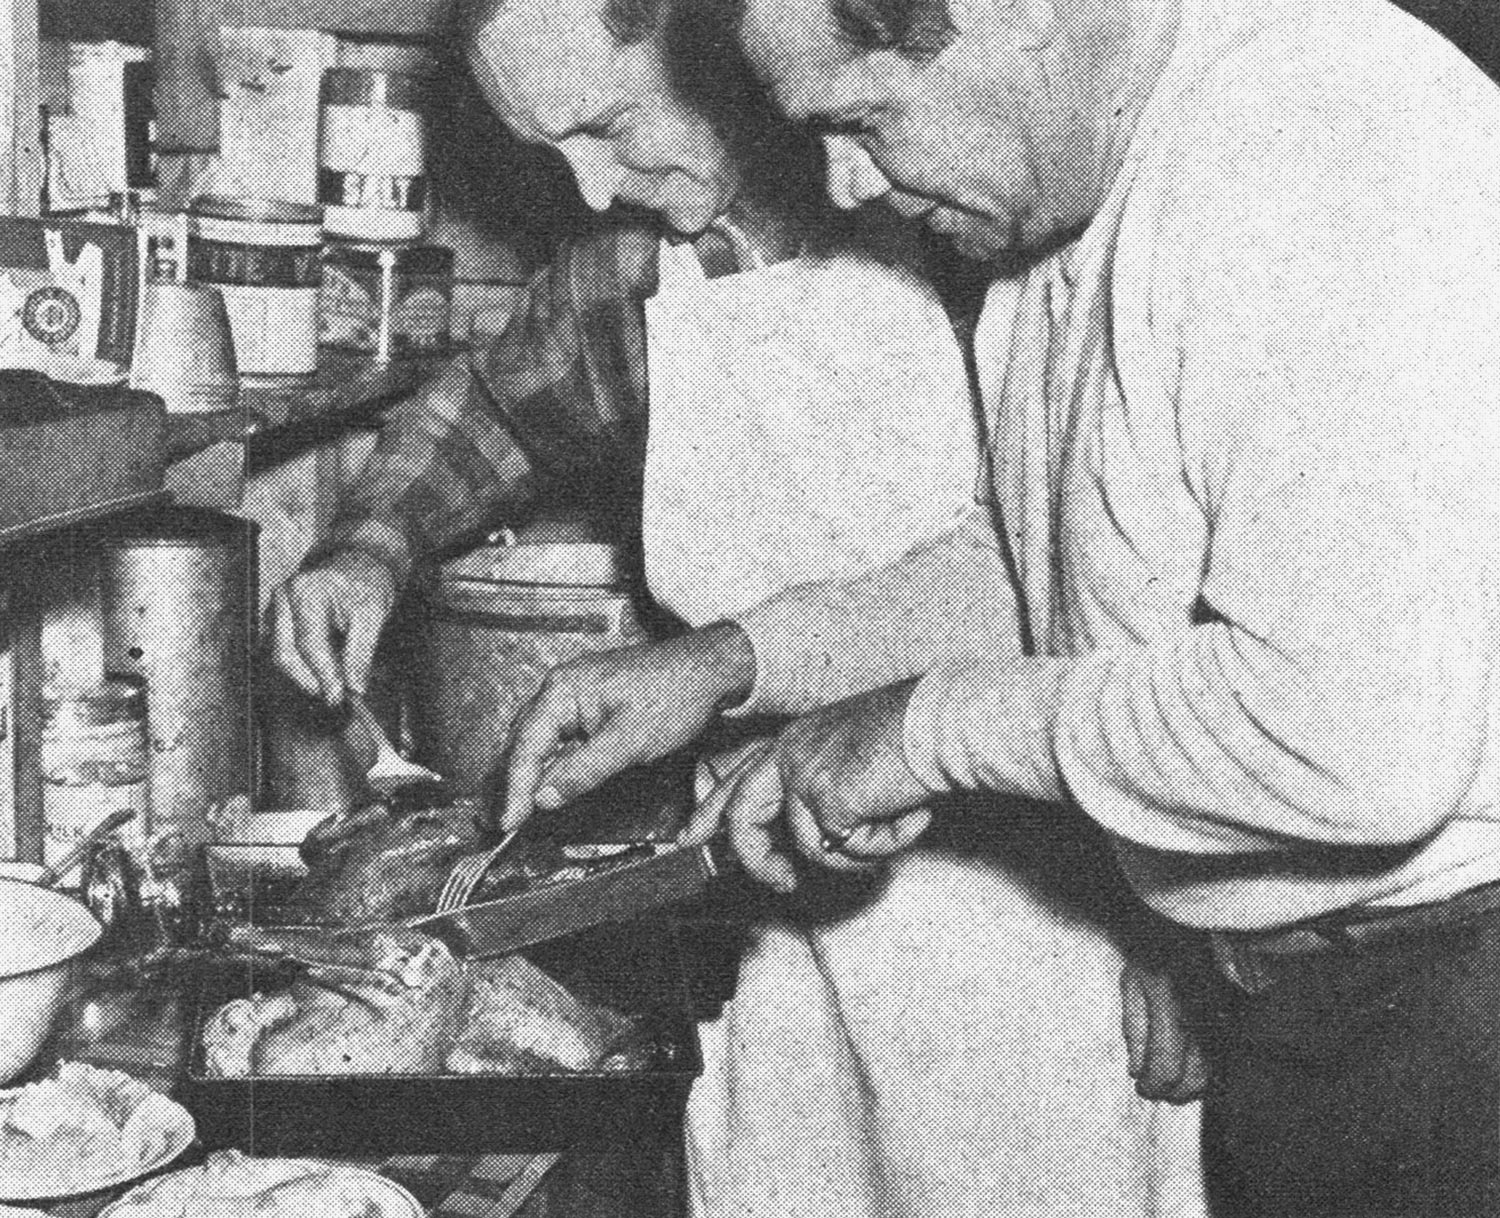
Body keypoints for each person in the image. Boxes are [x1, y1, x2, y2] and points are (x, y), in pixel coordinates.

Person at [502, 0, 1500, 1214]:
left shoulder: (1319, 136)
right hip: (1311, 1001)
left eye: (863, 120)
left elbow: (1348, 736)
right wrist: (730, 664)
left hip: (1453, 1007)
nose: (843, 182)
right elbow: (1038, 567)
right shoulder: (1059, 218)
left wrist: (926, 736)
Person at [268, 2, 1209, 1217]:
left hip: (1050, 928)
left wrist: (1188, 922)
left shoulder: (983, 222)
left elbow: (1139, 599)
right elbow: (492, 414)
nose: (593, 190)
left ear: (724, 47)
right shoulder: (635, 269)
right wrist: (368, 547)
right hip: (775, 925)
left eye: (607, 126)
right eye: (557, 151)